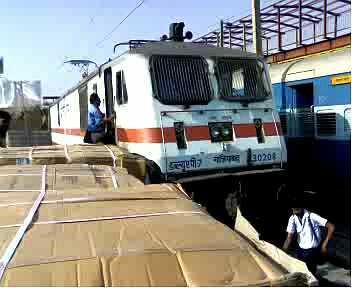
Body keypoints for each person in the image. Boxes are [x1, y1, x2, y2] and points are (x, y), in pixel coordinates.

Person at [283, 205, 335, 275]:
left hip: (312, 251)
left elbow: (331, 227)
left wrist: (324, 245)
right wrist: (283, 252)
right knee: (301, 272)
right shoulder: (292, 219)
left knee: (310, 274)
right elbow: (289, 237)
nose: (295, 208)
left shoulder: (312, 216)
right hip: (301, 250)